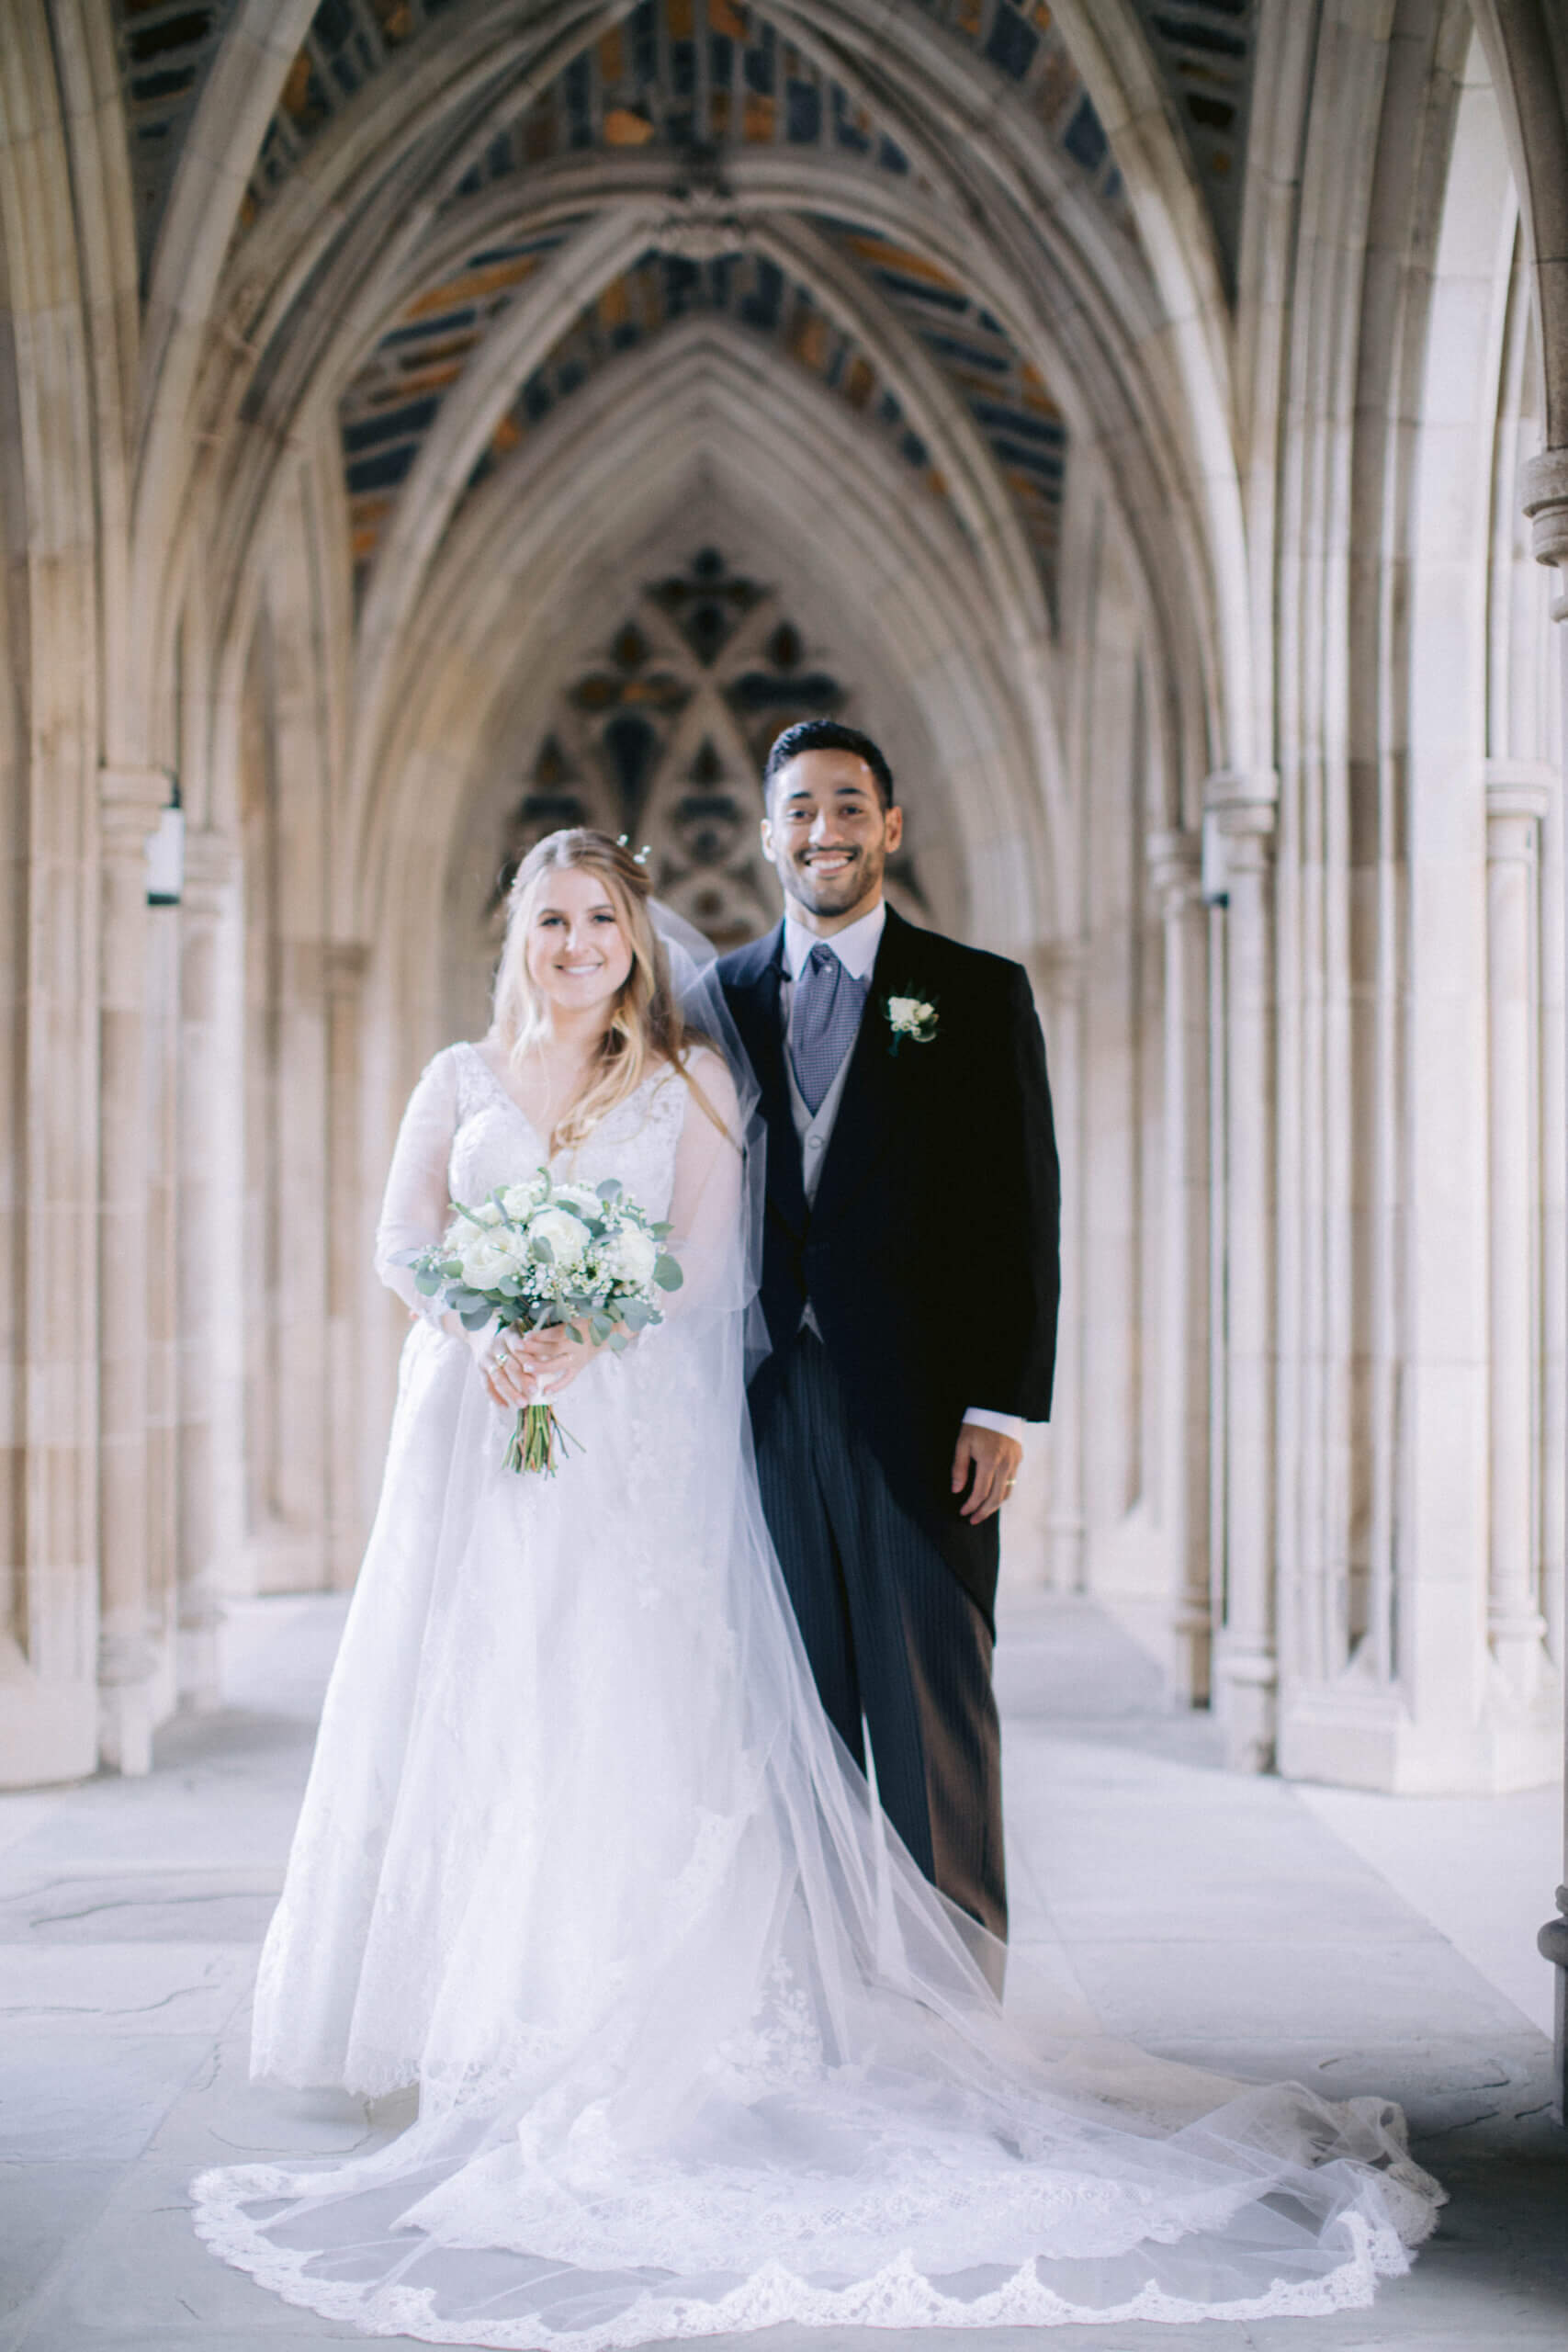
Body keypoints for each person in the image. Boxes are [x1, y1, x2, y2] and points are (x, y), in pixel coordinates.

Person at [191, 827, 1439, 2346]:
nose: (575, 941)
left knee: (620, 1713)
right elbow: (404, 1238)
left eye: (599, 918)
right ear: (514, 934)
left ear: (635, 938)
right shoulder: (457, 1078)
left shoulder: (691, 1083)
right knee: (475, 1707)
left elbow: (708, 1277)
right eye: (550, 919)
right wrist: (483, 1324)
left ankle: (611, 2010)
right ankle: (463, 2011)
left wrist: (583, 1326)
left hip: (628, 1450)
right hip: (474, 1440)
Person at [717, 719, 1059, 1947]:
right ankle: (821, 1998)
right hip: (762, 1410)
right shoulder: (721, 1000)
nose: (826, 830)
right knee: (795, 1716)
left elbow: (1021, 1210)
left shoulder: (972, 994)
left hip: (923, 1416)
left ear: (890, 828)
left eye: (849, 807)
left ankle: (957, 1999)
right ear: (769, 835)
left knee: (932, 1713)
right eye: (801, 809)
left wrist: (1002, 1404)